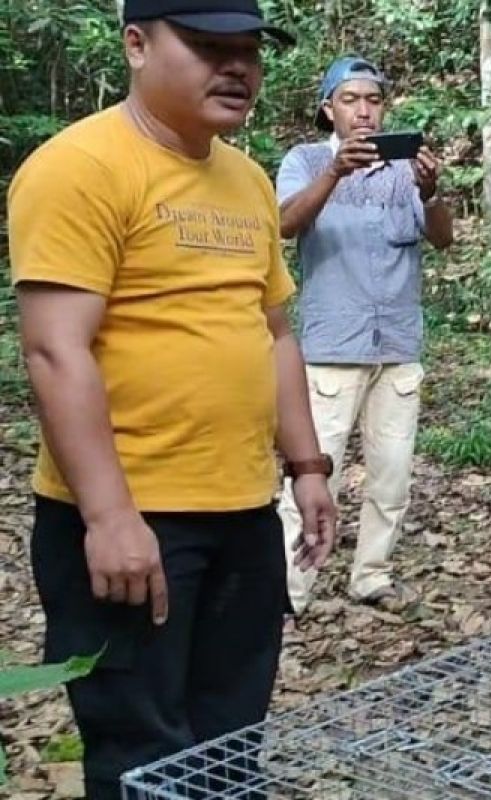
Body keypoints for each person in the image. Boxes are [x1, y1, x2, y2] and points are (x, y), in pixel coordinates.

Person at [6, 1, 337, 797]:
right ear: (135, 44)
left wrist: (308, 466)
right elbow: (56, 347)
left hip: (240, 510)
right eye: (207, 47)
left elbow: (274, 331)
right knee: (142, 754)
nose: (236, 68)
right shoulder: (80, 166)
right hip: (132, 516)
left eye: (249, 51)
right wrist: (110, 516)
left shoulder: (249, 179)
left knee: (230, 743)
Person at [274, 56, 454, 615]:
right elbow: (282, 224)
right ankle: (289, 591)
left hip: (397, 347)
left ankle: (371, 576)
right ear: (329, 108)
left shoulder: (405, 171)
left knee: (392, 476)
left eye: (373, 100)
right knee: (311, 472)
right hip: (331, 350)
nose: (363, 110)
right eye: (350, 99)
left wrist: (430, 191)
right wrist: (336, 173)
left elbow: (442, 239)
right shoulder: (305, 161)